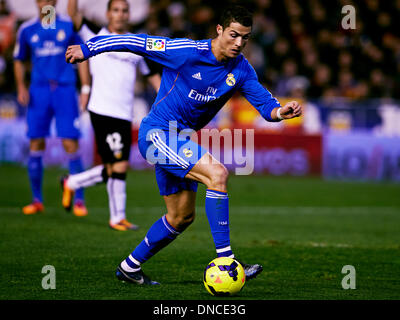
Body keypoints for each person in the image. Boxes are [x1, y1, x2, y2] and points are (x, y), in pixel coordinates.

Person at [66, 5, 302, 285]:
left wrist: (279, 112)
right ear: (219, 30)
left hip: (180, 140)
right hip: (156, 135)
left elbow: (265, 104)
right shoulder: (185, 51)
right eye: (234, 35)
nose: (239, 43)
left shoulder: (241, 69)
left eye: (246, 38)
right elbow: (133, 41)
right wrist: (88, 48)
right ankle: (227, 261)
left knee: (181, 217)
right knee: (217, 174)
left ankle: (129, 267)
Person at [60, 0, 161, 230]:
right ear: (108, 14)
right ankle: (117, 217)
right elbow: (73, 13)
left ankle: (73, 181)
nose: (120, 15)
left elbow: (152, 75)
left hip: (124, 113)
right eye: (116, 10)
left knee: (113, 167)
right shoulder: (95, 33)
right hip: (102, 109)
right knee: (119, 165)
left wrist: (167, 98)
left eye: (125, 11)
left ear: (129, 15)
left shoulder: (137, 44)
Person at [14, 0, 89, 216]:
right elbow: (19, 59)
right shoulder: (27, 29)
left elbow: (83, 57)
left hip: (65, 90)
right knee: (36, 142)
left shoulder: (68, 25)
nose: (46, 2)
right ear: (37, 2)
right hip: (39, 91)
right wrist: (21, 86)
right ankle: (36, 199)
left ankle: (80, 200)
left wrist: (84, 88)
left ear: (55, 2)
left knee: (70, 143)